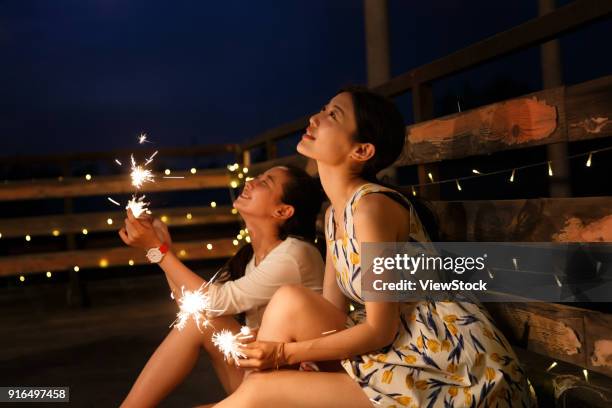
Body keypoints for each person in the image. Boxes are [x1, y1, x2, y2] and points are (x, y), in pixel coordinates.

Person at [211, 87, 536, 407]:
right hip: (401, 350)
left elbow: (380, 329)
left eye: (332, 115)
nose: (315, 118)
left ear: (362, 151)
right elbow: (331, 313)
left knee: (260, 391)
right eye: (323, 109)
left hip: (451, 367)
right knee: (286, 307)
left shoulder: (371, 209)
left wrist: (284, 353)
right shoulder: (334, 216)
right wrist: (273, 347)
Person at [118, 165, 325, 407]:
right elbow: (196, 307)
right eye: (258, 177)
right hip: (262, 375)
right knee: (199, 320)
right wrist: (161, 249)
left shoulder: (294, 254)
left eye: (265, 182)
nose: (251, 182)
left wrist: (159, 251)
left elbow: (215, 301)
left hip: (298, 387)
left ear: (283, 211)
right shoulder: (251, 257)